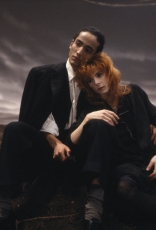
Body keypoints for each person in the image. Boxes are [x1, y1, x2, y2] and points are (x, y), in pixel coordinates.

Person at [0, 27, 106, 230]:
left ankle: (93, 213)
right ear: (71, 43)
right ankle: (2, 210)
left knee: (99, 123)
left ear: (95, 56)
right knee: (15, 128)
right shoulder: (41, 74)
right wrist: (54, 142)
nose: (80, 51)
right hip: (43, 151)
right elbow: (28, 119)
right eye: (78, 43)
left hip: (78, 156)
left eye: (88, 49)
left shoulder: (94, 84)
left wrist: (152, 120)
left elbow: (116, 101)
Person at [69, 52, 156, 229]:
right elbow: (71, 142)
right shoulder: (91, 109)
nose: (97, 83)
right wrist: (87, 120)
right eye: (90, 81)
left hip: (146, 163)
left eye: (99, 75)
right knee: (123, 191)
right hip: (118, 168)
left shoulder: (134, 93)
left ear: (109, 72)